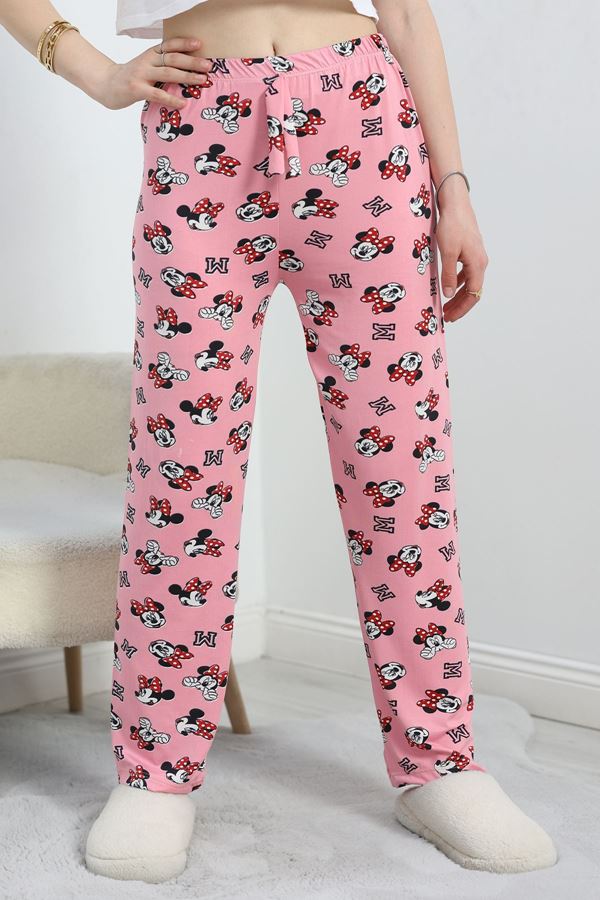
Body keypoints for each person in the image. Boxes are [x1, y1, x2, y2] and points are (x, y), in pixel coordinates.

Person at [2, 0, 557, 884]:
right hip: (200, 130)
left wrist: (453, 187)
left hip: (363, 126)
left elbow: (405, 11)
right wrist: (98, 74)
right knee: (182, 473)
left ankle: (441, 759)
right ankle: (156, 769)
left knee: (401, 467)